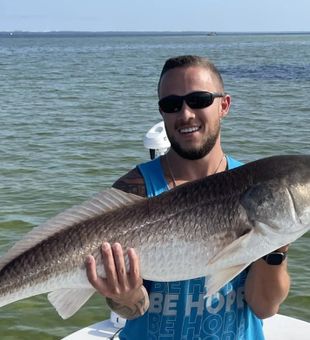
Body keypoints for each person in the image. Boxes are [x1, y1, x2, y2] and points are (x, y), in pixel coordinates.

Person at [85, 55, 290, 339]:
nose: (185, 114)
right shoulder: (135, 189)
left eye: (199, 99)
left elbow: (264, 307)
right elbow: (132, 309)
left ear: (224, 105)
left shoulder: (257, 189)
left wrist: (276, 249)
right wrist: (126, 295)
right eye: (171, 104)